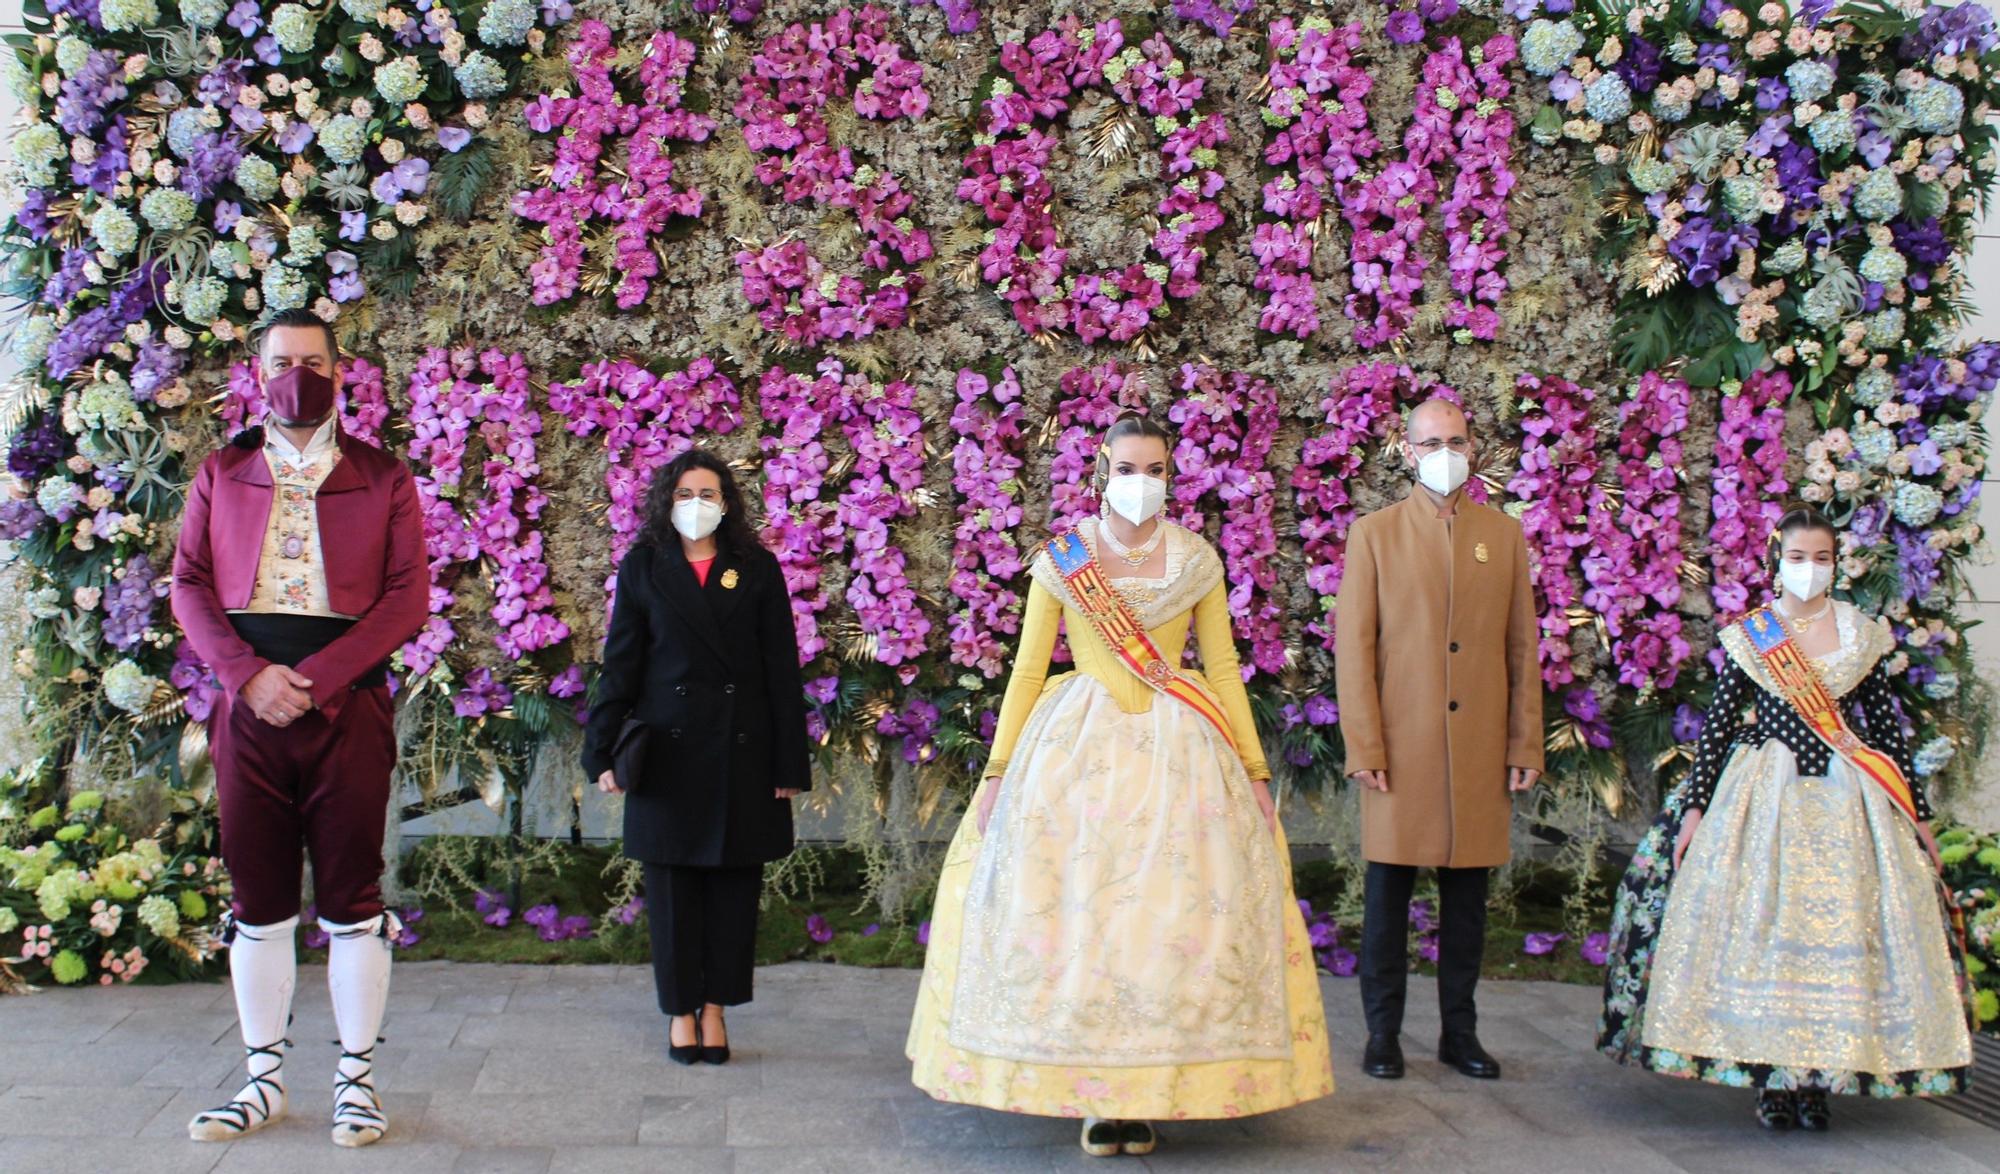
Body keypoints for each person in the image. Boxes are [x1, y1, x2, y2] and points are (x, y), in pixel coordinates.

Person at [907, 412, 1333, 1158]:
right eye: (1129, 468)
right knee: (1081, 922)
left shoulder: (1197, 559)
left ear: (1172, 476)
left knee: (1169, 923)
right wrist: (1001, 769)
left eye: (1157, 469)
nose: (1143, 482)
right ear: (1101, 472)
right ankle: (1091, 1094)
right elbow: (1029, 670)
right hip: (1076, 755)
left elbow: (1225, 668)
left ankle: (1152, 1090)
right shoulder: (1064, 559)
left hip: (1183, 752)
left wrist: (1256, 770)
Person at [1598, 505, 1971, 1130]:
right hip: (1763, 799)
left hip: (1848, 802)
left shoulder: (1861, 634)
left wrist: (1921, 819)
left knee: (1841, 940)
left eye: (1821, 558)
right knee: (1759, 932)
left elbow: (1886, 734)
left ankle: (1819, 1075)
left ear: (1836, 564)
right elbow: (1716, 733)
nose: (1810, 569)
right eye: (1797, 558)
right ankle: (1771, 1078)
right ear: (1777, 565)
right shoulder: (1755, 636)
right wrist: (1693, 811)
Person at [171, 307, 428, 1147]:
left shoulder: (384, 476)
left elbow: (407, 598)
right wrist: (248, 677)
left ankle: (356, 1084)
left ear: (340, 370)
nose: (298, 374)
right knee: (260, 901)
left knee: (353, 899)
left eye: (313, 360)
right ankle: (263, 1082)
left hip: (344, 701)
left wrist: (314, 681)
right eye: (283, 360)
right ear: (257, 371)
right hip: (247, 705)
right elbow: (189, 584)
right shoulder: (223, 470)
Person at [1335, 397, 1541, 1083]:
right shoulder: (1375, 534)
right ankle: (1383, 1035)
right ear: (1407, 449)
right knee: (1387, 900)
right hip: (1401, 748)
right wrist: (1364, 745)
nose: (1444, 453)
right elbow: (1354, 649)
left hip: (1480, 746)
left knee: (1467, 905)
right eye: (1431, 442)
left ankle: (1461, 1033)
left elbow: (1522, 648)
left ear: (1473, 447)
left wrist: (1524, 744)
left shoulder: (1503, 535)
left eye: (1456, 440)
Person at [582, 449, 811, 1065]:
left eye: (708, 493)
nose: (696, 505)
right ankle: (682, 1012)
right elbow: (621, 664)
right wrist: (600, 748)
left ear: (727, 502)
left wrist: (790, 764)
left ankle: (717, 1012)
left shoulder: (756, 569)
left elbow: (780, 671)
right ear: (666, 501)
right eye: (684, 494)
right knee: (674, 897)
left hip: (744, 753)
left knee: (735, 893)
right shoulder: (643, 567)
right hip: (667, 759)